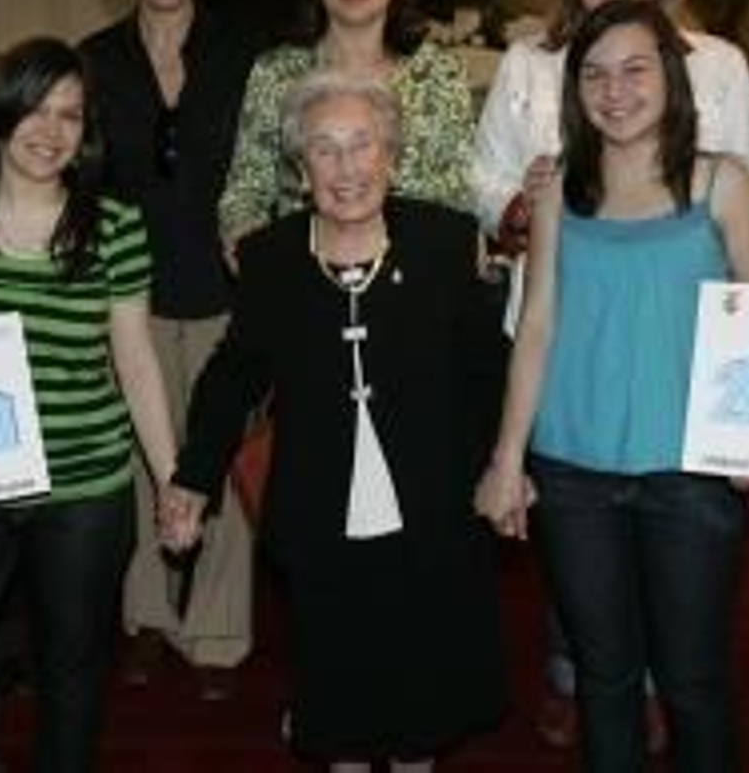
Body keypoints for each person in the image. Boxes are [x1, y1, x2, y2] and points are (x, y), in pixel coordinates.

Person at [470, 0, 749, 750]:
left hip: (690, 470)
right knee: (604, 678)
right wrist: (506, 463)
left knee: (693, 678)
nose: (616, 91)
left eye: (637, 70)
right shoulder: (558, 194)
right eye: (596, 75)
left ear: (672, 76)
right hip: (573, 473)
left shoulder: (724, 184)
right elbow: (534, 329)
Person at [164, 70, 507, 771]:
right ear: (299, 165)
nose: (346, 167)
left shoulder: (446, 242)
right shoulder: (270, 259)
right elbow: (233, 378)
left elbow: (489, 369)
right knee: (337, 687)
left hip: (434, 503)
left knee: (421, 690)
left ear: (391, 153)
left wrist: (512, 467)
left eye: (362, 144)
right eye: (325, 148)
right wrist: (192, 479)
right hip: (319, 508)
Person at [0, 37, 178, 773]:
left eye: (71, 116)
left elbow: (135, 359)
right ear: (1, 114)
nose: (51, 132)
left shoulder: (114, 225)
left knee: (71, 684)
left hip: (83, 488)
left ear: (87, 132)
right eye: (36, 111)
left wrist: (173, 479)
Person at [78, 0, 261, 700]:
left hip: (228, 290)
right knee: (144, 463)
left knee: (214, 458)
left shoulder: (247, 52)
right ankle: (148, 617)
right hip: (129, 295)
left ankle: (217, 633)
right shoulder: (95, 60)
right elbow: (79, 184)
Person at [217, 0, 475, 252]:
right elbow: (245, 195)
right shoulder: (276, 73)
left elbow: (458, 196)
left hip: (419, 278)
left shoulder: (439, 73)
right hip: (305, 281)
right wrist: (258, 263)